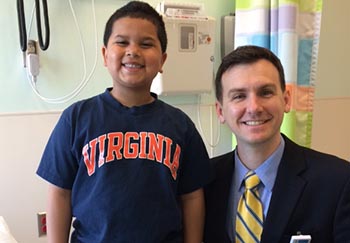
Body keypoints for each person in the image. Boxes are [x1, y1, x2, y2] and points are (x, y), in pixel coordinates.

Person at [36, 1, 212, 242]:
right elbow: (60, 193)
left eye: (146, 43)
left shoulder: (180, 126)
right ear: (104, 55)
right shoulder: (76, 118)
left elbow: (192, 196)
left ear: (162, 60)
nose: (133, 51)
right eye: (122, 42)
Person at [203, 45, 350, 243]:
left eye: (265, 92)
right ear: (220, 111)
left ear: (286, 100)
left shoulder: (338, 181)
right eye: (239, 96)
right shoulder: (203, 183)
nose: (254, 107)